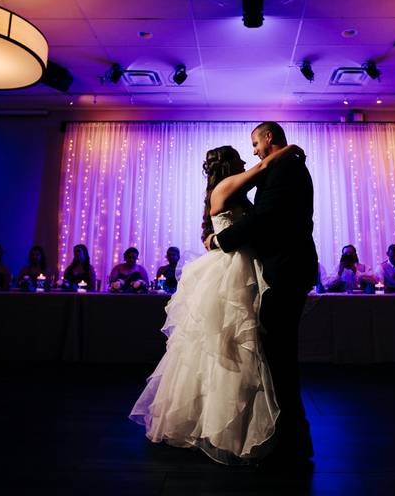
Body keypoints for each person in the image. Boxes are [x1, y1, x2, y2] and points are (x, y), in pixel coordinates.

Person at [131, 135, 305, 465]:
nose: (245, 162)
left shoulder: (230, 190)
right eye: (239, 161)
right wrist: (291, 150)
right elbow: (263, 166)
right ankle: (217, 425)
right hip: (230, 270)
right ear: (227, 165)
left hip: (244, 264)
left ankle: (237, 421)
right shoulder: (224, 187)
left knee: (239, 344)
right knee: (225, 342)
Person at [211, 122, 318, 464]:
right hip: (284, 269)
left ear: (269, 137)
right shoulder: (283, 165)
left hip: (286, 270)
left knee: (279, 356)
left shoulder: (286, 168)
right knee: (277, 355)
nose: (254, 152)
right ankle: (288, 437)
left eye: (255, 143)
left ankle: (291, 441)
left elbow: (267, 217)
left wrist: (220, 240)